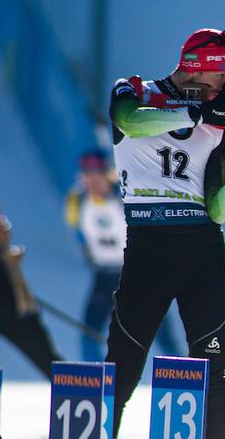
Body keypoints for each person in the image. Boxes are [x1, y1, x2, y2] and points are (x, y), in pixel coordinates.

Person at [77, 27, 225, 439]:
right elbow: (126, 121)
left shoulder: (221, 116)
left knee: (214, 373)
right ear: (193, 62)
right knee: (120, 369)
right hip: (148, 250)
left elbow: (221, 209)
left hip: (203, 251)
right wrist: (200, 114)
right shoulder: (135, 92)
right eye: (220, 70)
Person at [65, 149, 183, 362]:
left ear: (106, 174)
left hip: (137, 274)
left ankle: (184, 378)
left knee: (163, 336)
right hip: (104, 275)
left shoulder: (123, 195)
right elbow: (79, 234)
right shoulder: (78, 201)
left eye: (97, 174)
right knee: (89, 334)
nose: (93, 181)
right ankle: (93, 383)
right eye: (88, 175)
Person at [0, 201, 61, 377]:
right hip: (9, 302)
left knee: (52, 364)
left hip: (11, 303)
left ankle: (81, 396)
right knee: (52, 363)